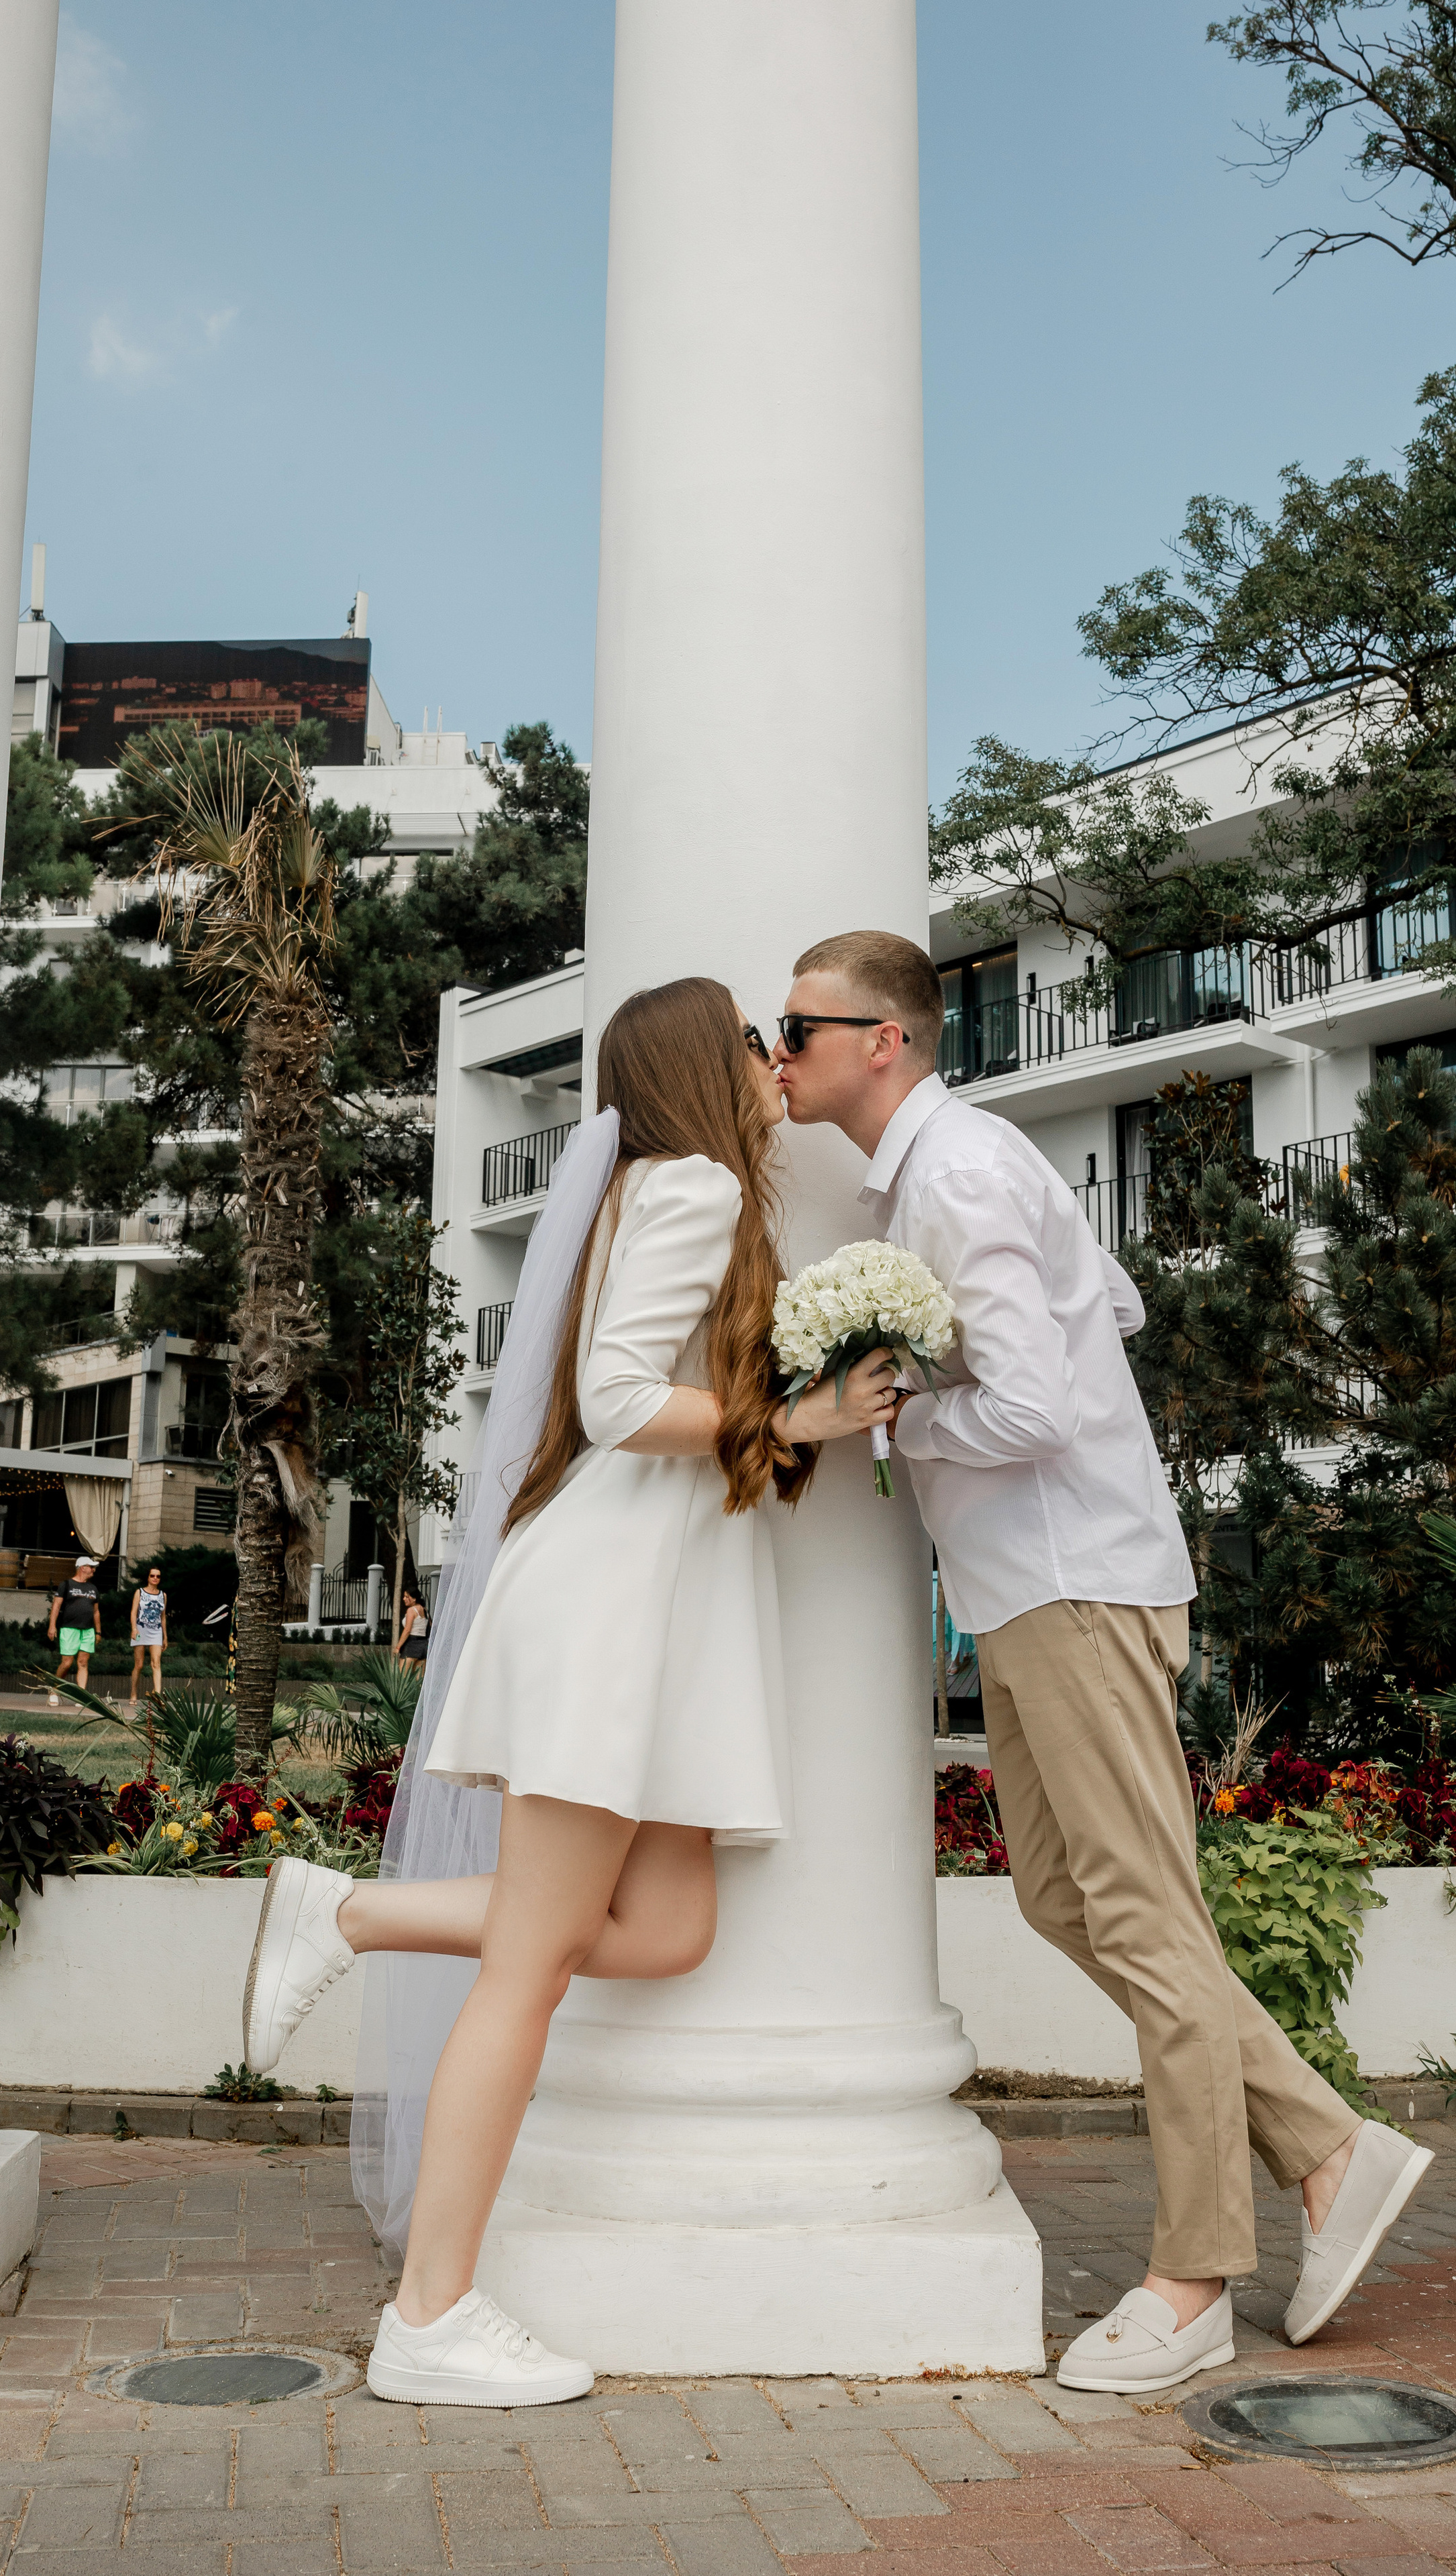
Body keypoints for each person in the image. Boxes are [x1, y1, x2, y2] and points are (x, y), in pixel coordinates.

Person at [774, 928, 1432, 2394]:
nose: (780, 1053)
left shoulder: (951, 1173)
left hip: (1071, 1581)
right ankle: (1327, 2147)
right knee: (1062, 1896)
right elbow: (1109, 1310)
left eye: (799, 1027)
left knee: (1136, 1919)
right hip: (1026, 1588)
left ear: (884, 1038)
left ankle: (1191, 2280)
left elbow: (1042, 1410)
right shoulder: (956, 1174)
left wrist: (891, 1417)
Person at [239, 977, 896, 2408]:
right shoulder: (697, 1188)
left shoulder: (684, 1190)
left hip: (649, 1602)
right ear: (693, 1067)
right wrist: (795, 1414)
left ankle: (347, 1912)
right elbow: (612, 1399)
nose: (767, 1060)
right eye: (748, 1039)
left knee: (662, 1930)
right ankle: (432, 2315)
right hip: (614, 1605)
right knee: (530, 1968)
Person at [48, 1556, 102, 1693]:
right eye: (91, 1567)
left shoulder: (93, 1588)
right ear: (82, 1568)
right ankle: (54, 1689)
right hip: (69, 1629)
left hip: (88, 1630)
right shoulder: (66, 1585)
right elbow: (56, 1607)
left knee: (83, 1663)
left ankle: (82, 1695)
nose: (93, 1570)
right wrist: (52, 1626)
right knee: (67, 1663)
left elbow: (96, 1612)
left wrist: (98, 1632)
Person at [129, 1566, 168, 1701]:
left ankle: (158, 1695)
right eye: (153, 1576)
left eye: (158, 1576)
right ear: (148, 1577)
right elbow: (134, 1612)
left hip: (156, 1630)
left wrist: (165, 1636)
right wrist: (134, 1629)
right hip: (141, 1629)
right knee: (139, 1664)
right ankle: (134, 1693)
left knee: (156, 1663)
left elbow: (163, 1617)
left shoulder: (163, 1595)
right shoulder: (139, 1592)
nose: (155, 1578)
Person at [396, 1587, 429, 1666]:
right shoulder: (425, 1610)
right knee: (419, 1677)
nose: (404, 1599)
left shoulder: (411, 1610)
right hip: (424, 1646)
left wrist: (398, 1647)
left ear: (414, 1599)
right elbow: (430, 1626)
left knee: (402, 1676)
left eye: (407, 1597)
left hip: (412, 1645)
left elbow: (407, 1630)